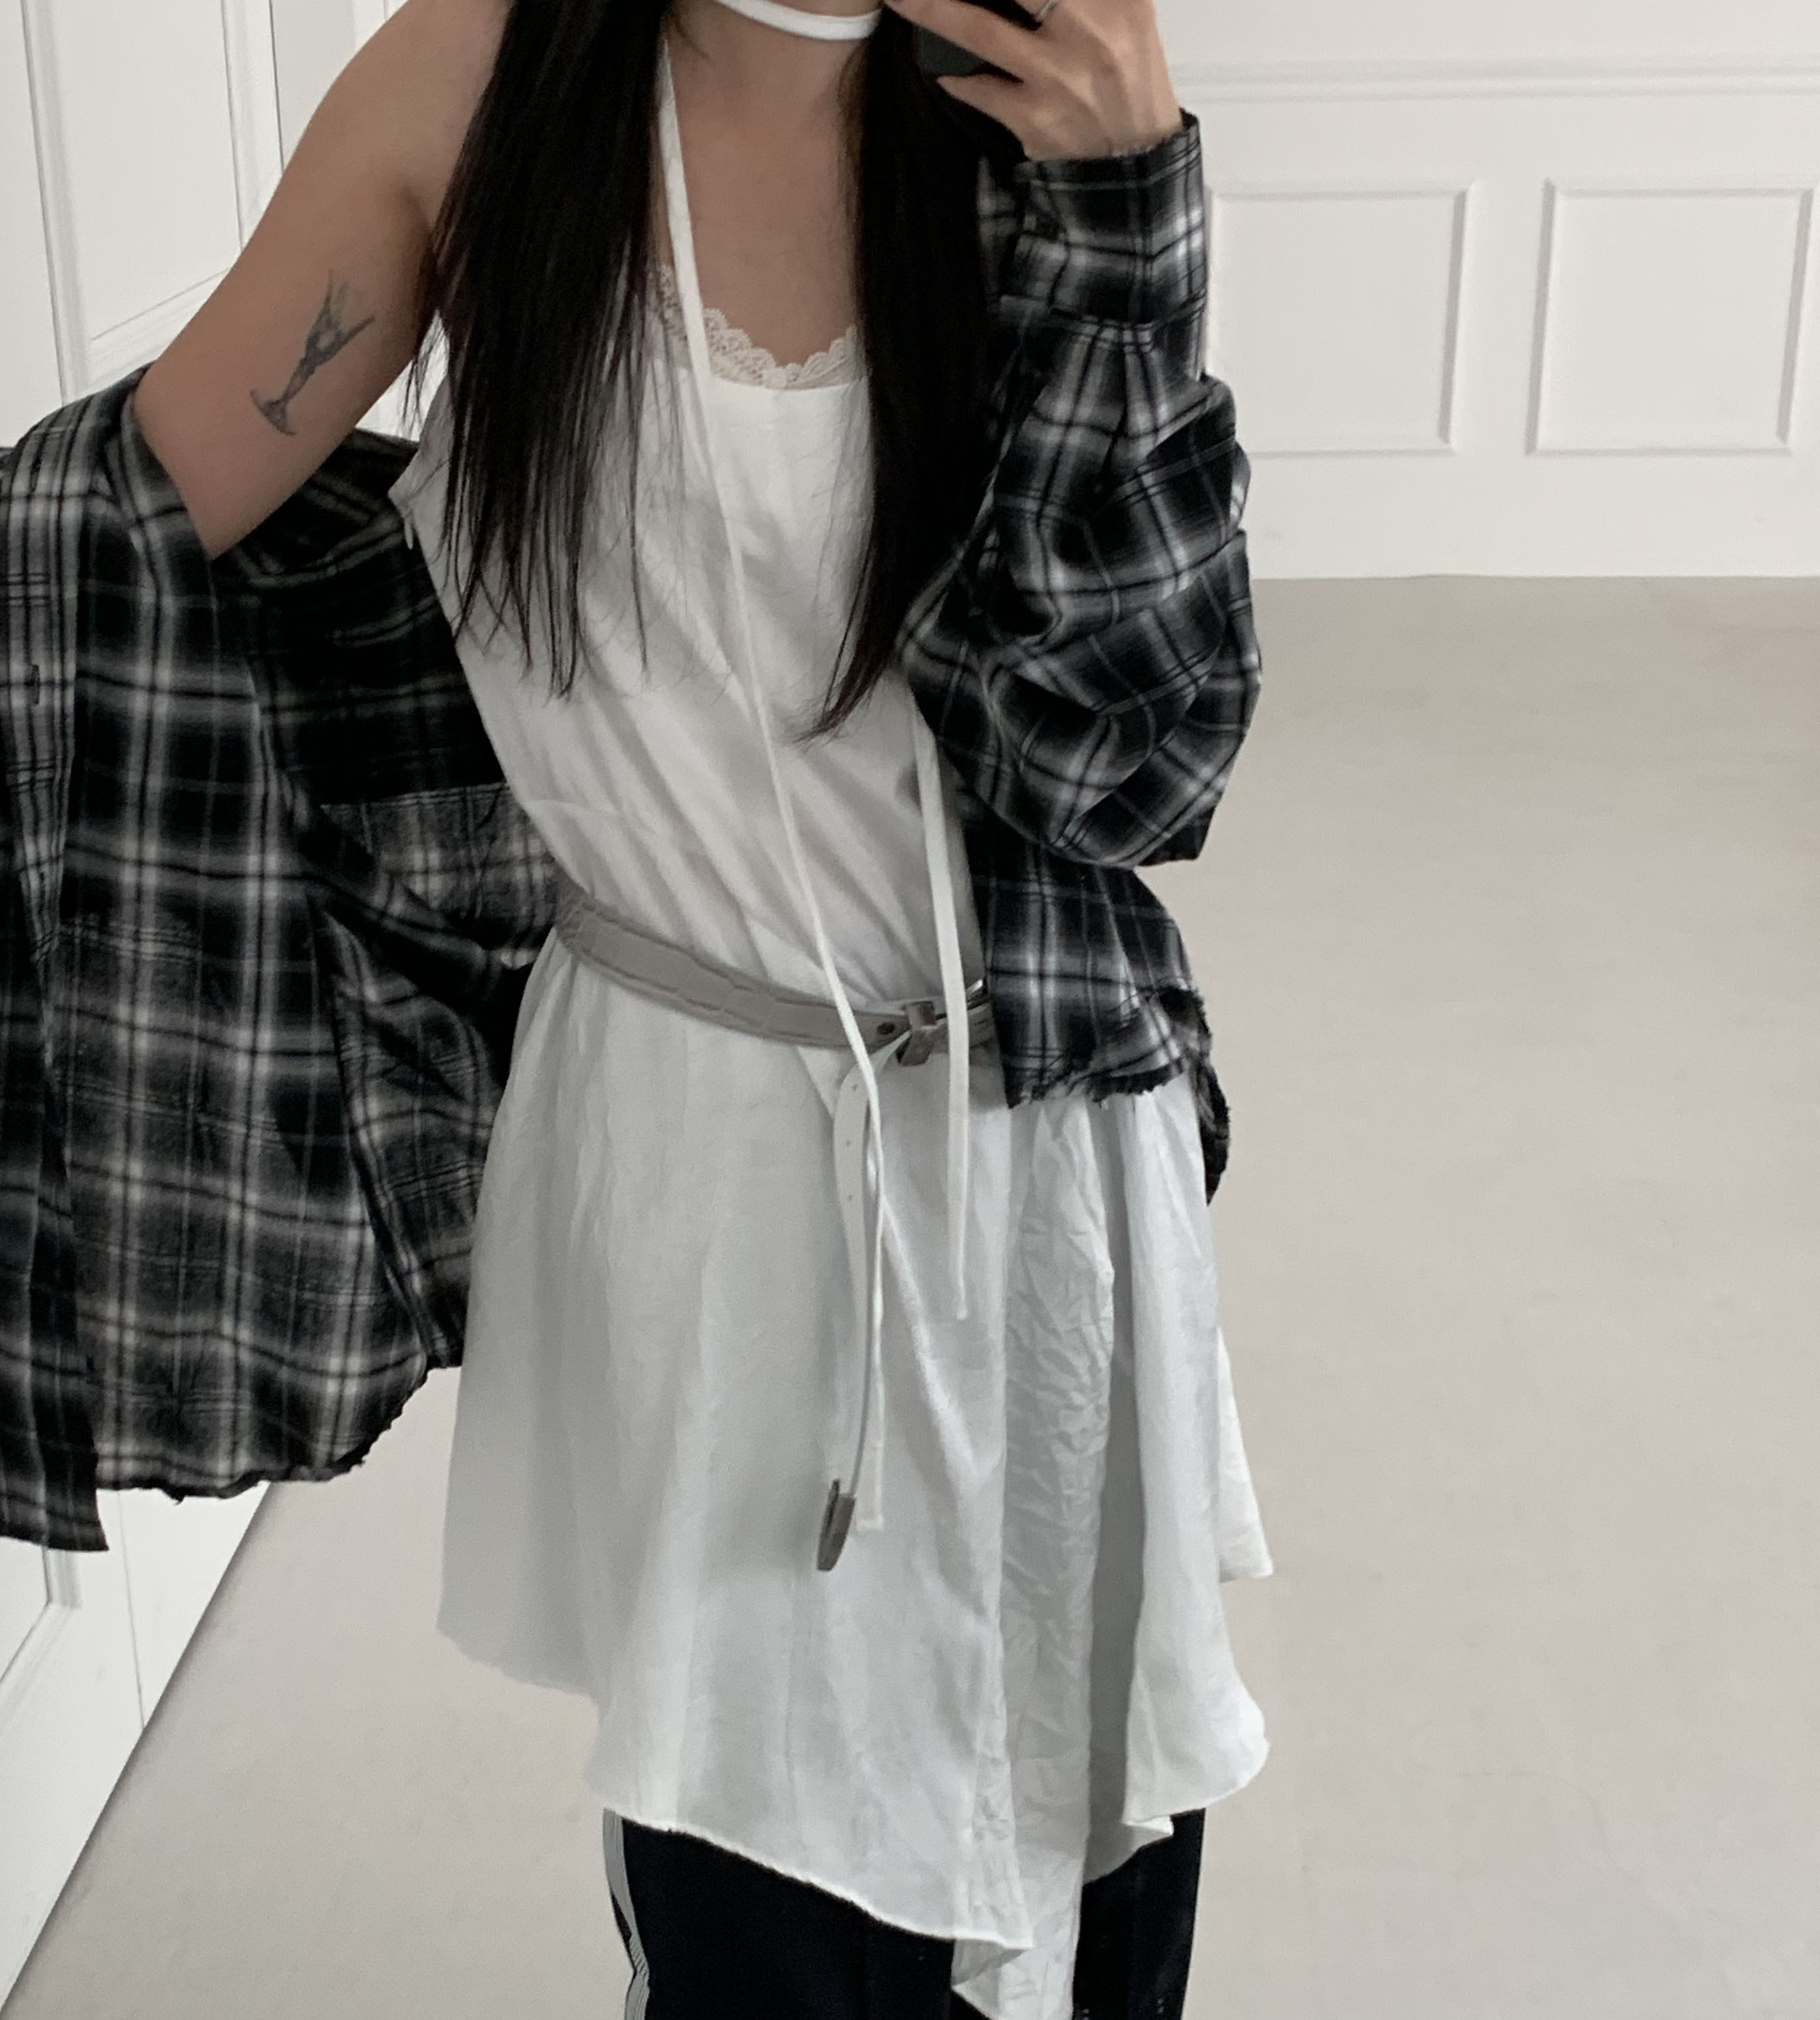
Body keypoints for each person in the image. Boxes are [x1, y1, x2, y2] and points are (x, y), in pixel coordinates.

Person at [135, 1, 1272, 2014]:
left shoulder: (1042, 85)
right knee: (753, 1879)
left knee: (1087, 1863)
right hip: (699, 1141)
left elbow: (1132, 768)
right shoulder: (483, 83)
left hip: (1048, 1138)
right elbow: (125, 528)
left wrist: (1127, 203)